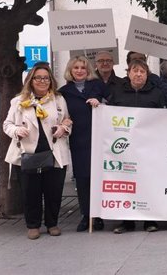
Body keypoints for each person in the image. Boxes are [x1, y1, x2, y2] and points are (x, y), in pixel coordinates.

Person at [3, 64, 72, 240]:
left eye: (46, 78)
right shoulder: (19, 101)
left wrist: (63, 128)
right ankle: (33, 225)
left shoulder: (57, 99)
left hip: (54, 152)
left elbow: (67, 120)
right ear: (31, 80)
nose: (42, 81)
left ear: (51, 81)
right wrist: (16, 131)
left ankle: (52, 223)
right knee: (30, 192)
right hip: (28, 154)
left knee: (53, 191)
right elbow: (7, 124)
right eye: (38, 78)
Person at [108, 59, 165, 233]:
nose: (138, 74)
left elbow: (164, 118)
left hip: (149, 147)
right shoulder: (117, 92)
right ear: (128, 73)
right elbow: (108, 114)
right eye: (135, 71)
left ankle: (150, 220)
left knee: (148, 182)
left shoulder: (157, 93)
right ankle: (127, 221)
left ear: (147, 74)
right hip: (125, 147)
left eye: (142, 71)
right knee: (127, 183)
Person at [58, 55, 109, 232]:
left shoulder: (98, 86)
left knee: (100, 178)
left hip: (100, 139)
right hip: (79, 141)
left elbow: (113, 105)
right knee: (83, 179)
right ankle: (86, 215)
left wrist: (100, 102)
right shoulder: (63, 92)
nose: (79, 71)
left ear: (88, 70)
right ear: (70, 71)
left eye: (83, 67)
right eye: (76, 68)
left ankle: (100, 215)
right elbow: (62, 115)